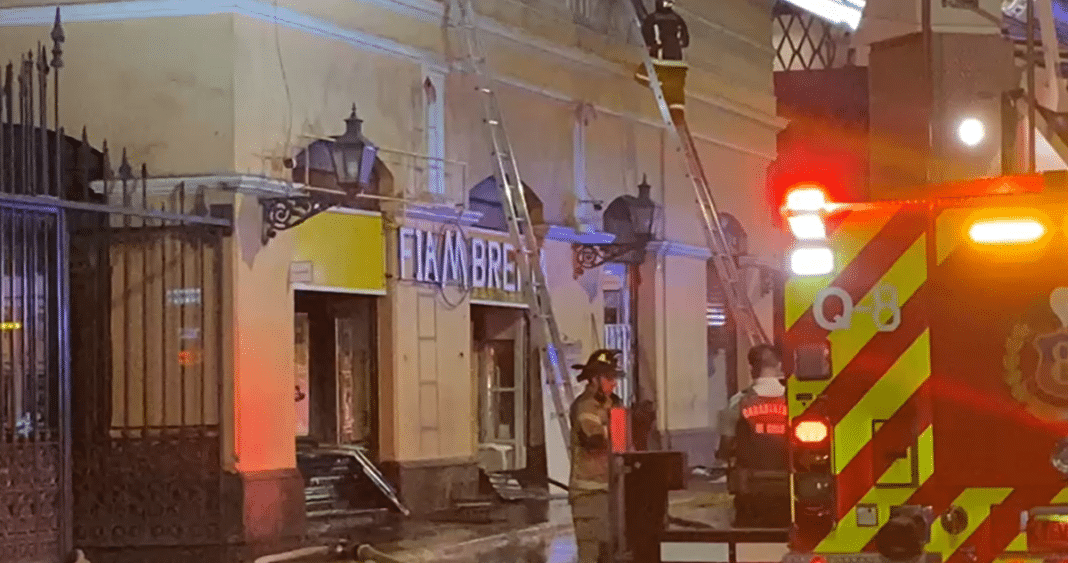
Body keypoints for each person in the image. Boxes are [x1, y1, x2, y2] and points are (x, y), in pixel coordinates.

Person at [716, 344, 791, 527]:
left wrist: (724, 455)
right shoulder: (794, 401)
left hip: (749, 489)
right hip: (789, 487)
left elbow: (725, 445)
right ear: (779, 366)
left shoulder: (738, 402)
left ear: (751, 369)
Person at [569, 349, 624, 563]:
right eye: (609, 378)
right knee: (591, 556)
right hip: (589, 495)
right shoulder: (586, 407)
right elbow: (593, 439)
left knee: (610, 555)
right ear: (594, 379)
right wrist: (620, 424)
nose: (614, 384)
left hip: (610, 491)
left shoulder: (611, 405)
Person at [633, 0, 690, 121]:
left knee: (639, 75)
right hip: (679, 66)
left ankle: (660, 82)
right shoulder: (679, 19)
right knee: (677, 97)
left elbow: (647, 43)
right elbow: (685, 42)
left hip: (660, 63)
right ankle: (678, 117)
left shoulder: (651, 19)